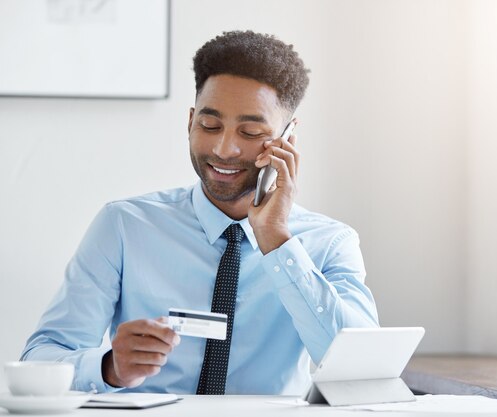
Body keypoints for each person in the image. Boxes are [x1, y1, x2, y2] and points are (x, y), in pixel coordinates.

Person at [21, 30, 379, 395]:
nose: (225, 148)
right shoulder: (124, 226)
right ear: (190, 121)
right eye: (210, 125)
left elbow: (363, 374)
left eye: (251, 131)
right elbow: (40, 359)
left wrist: (276, 240)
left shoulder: (330, 243)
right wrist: (109, 367)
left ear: (288, 138)